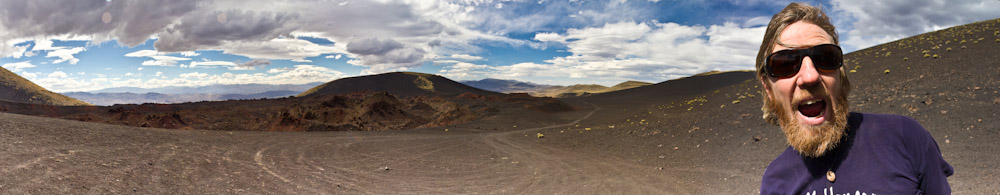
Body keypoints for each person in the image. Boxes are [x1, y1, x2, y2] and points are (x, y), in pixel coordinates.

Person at [755, 3, 953, 194]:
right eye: (784, 63)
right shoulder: (775, 181)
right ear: (768, 88)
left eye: (825, 57)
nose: (810, 76)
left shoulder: (905, 137)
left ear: (840, 77)